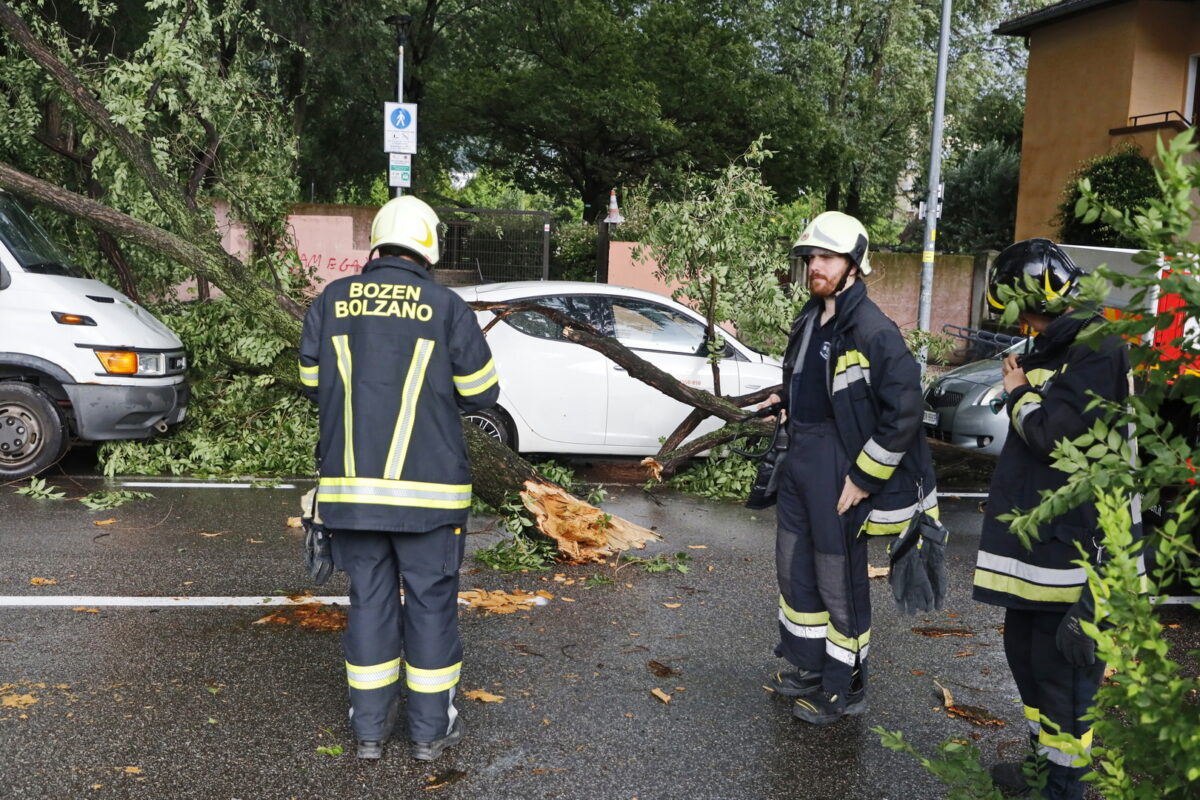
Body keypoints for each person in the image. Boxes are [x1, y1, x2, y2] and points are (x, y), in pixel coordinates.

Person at [298, 196, 499, 761]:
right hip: (430, 495)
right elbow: (482, 392)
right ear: (428, 245)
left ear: (379, 242)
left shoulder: (332, 300)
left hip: (353, 492)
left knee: (369, 602)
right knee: (432, 605)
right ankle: (430, 735)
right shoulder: (445, 306)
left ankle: (368, 733)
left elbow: (311, 382)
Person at [974, 238, 1140, 799]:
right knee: (1029, 664)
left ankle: (1063, 787)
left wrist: (1018, 392)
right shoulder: (1055, 346)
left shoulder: (1097, 348)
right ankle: (1041, 770)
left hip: (1078, 557)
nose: (1020, 322)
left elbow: (1054, 437)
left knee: (1065, 683)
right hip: (1040, 555)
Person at [762, 211, 939, 724]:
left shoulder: (873, 329)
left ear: (854, 264)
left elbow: (904, 412)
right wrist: (785, 399)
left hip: (839, 464)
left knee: (837, 576)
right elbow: (812, 381)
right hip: (801, 456)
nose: (814, 266)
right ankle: (810, 666)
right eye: (810, 257)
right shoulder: (811, 317)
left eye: (827, 257)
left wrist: (863, 478)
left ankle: (847, 686)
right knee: (795, 567)